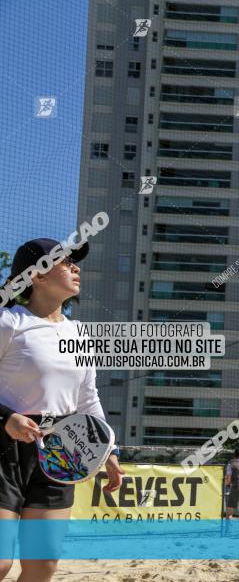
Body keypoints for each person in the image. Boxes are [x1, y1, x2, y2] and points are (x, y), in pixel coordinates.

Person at [0, 238, 124, 581]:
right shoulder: (9, 323)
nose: (75, 267)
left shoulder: (79, 333)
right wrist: (6, 416)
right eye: (64, 261)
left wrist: (108, 450)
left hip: (61, 449)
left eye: (74, 261)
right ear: (37, 276)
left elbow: (87, 397)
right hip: (3, 448)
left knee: (42, 567)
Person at [225, 449, 239, 518]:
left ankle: (228, 529)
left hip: (236, 488)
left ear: (234, 455)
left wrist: (226, 483)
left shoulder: (230, 464)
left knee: (229, 512)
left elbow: (228, 479)